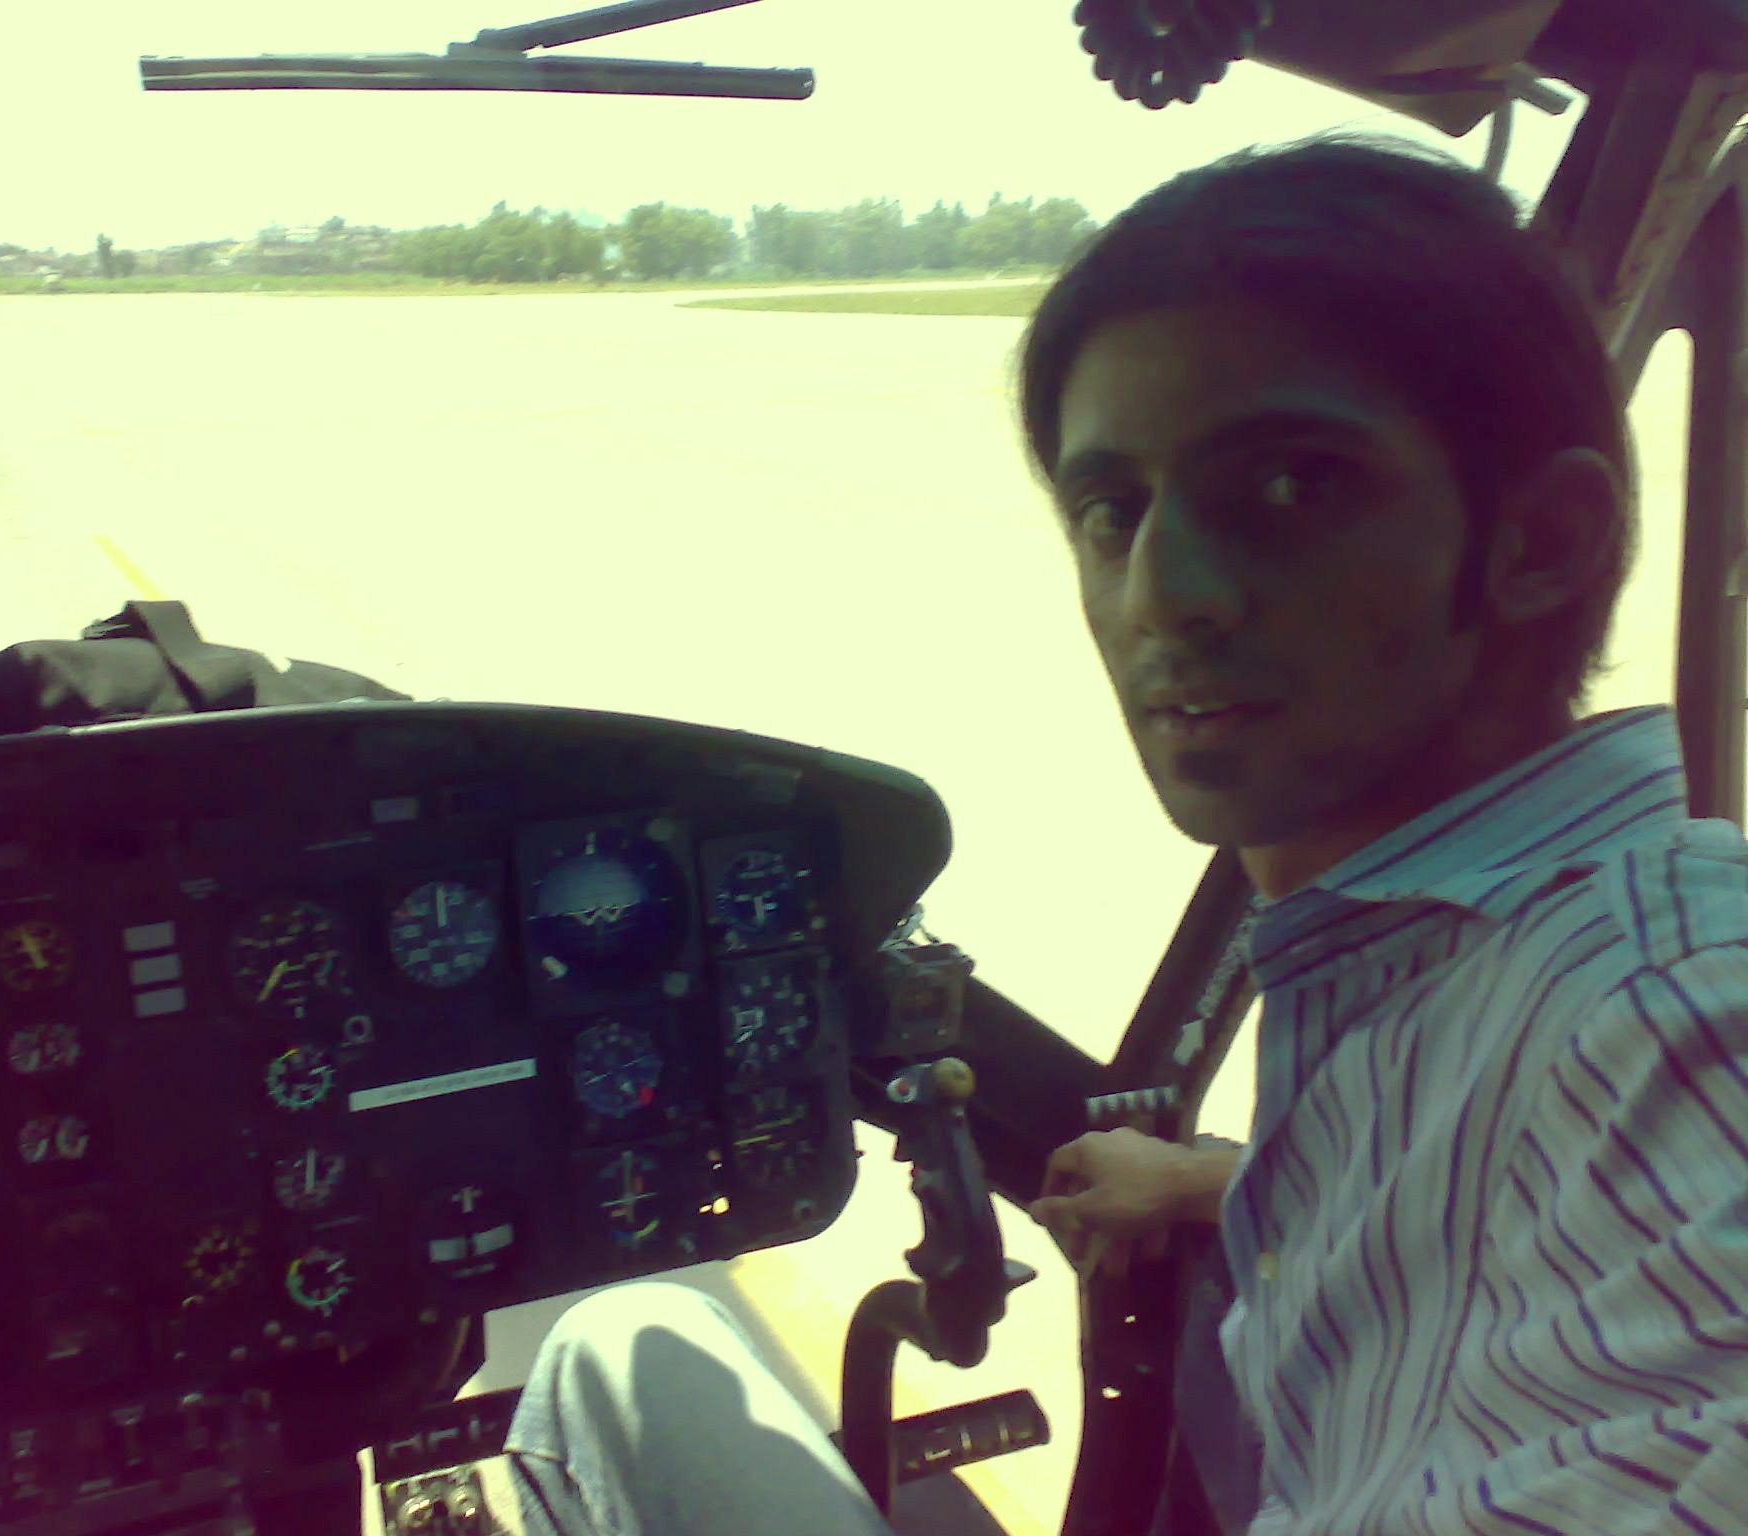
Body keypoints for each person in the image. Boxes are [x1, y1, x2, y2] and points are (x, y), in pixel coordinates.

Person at [493, 131, 1748, 1535]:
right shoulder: (1446, 974)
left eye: (1288, 486)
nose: (1165, 594)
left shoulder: (1678, 1007)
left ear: (1543, 541)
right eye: (1112, 511)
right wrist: (1234, 1185)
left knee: (616, 1358)